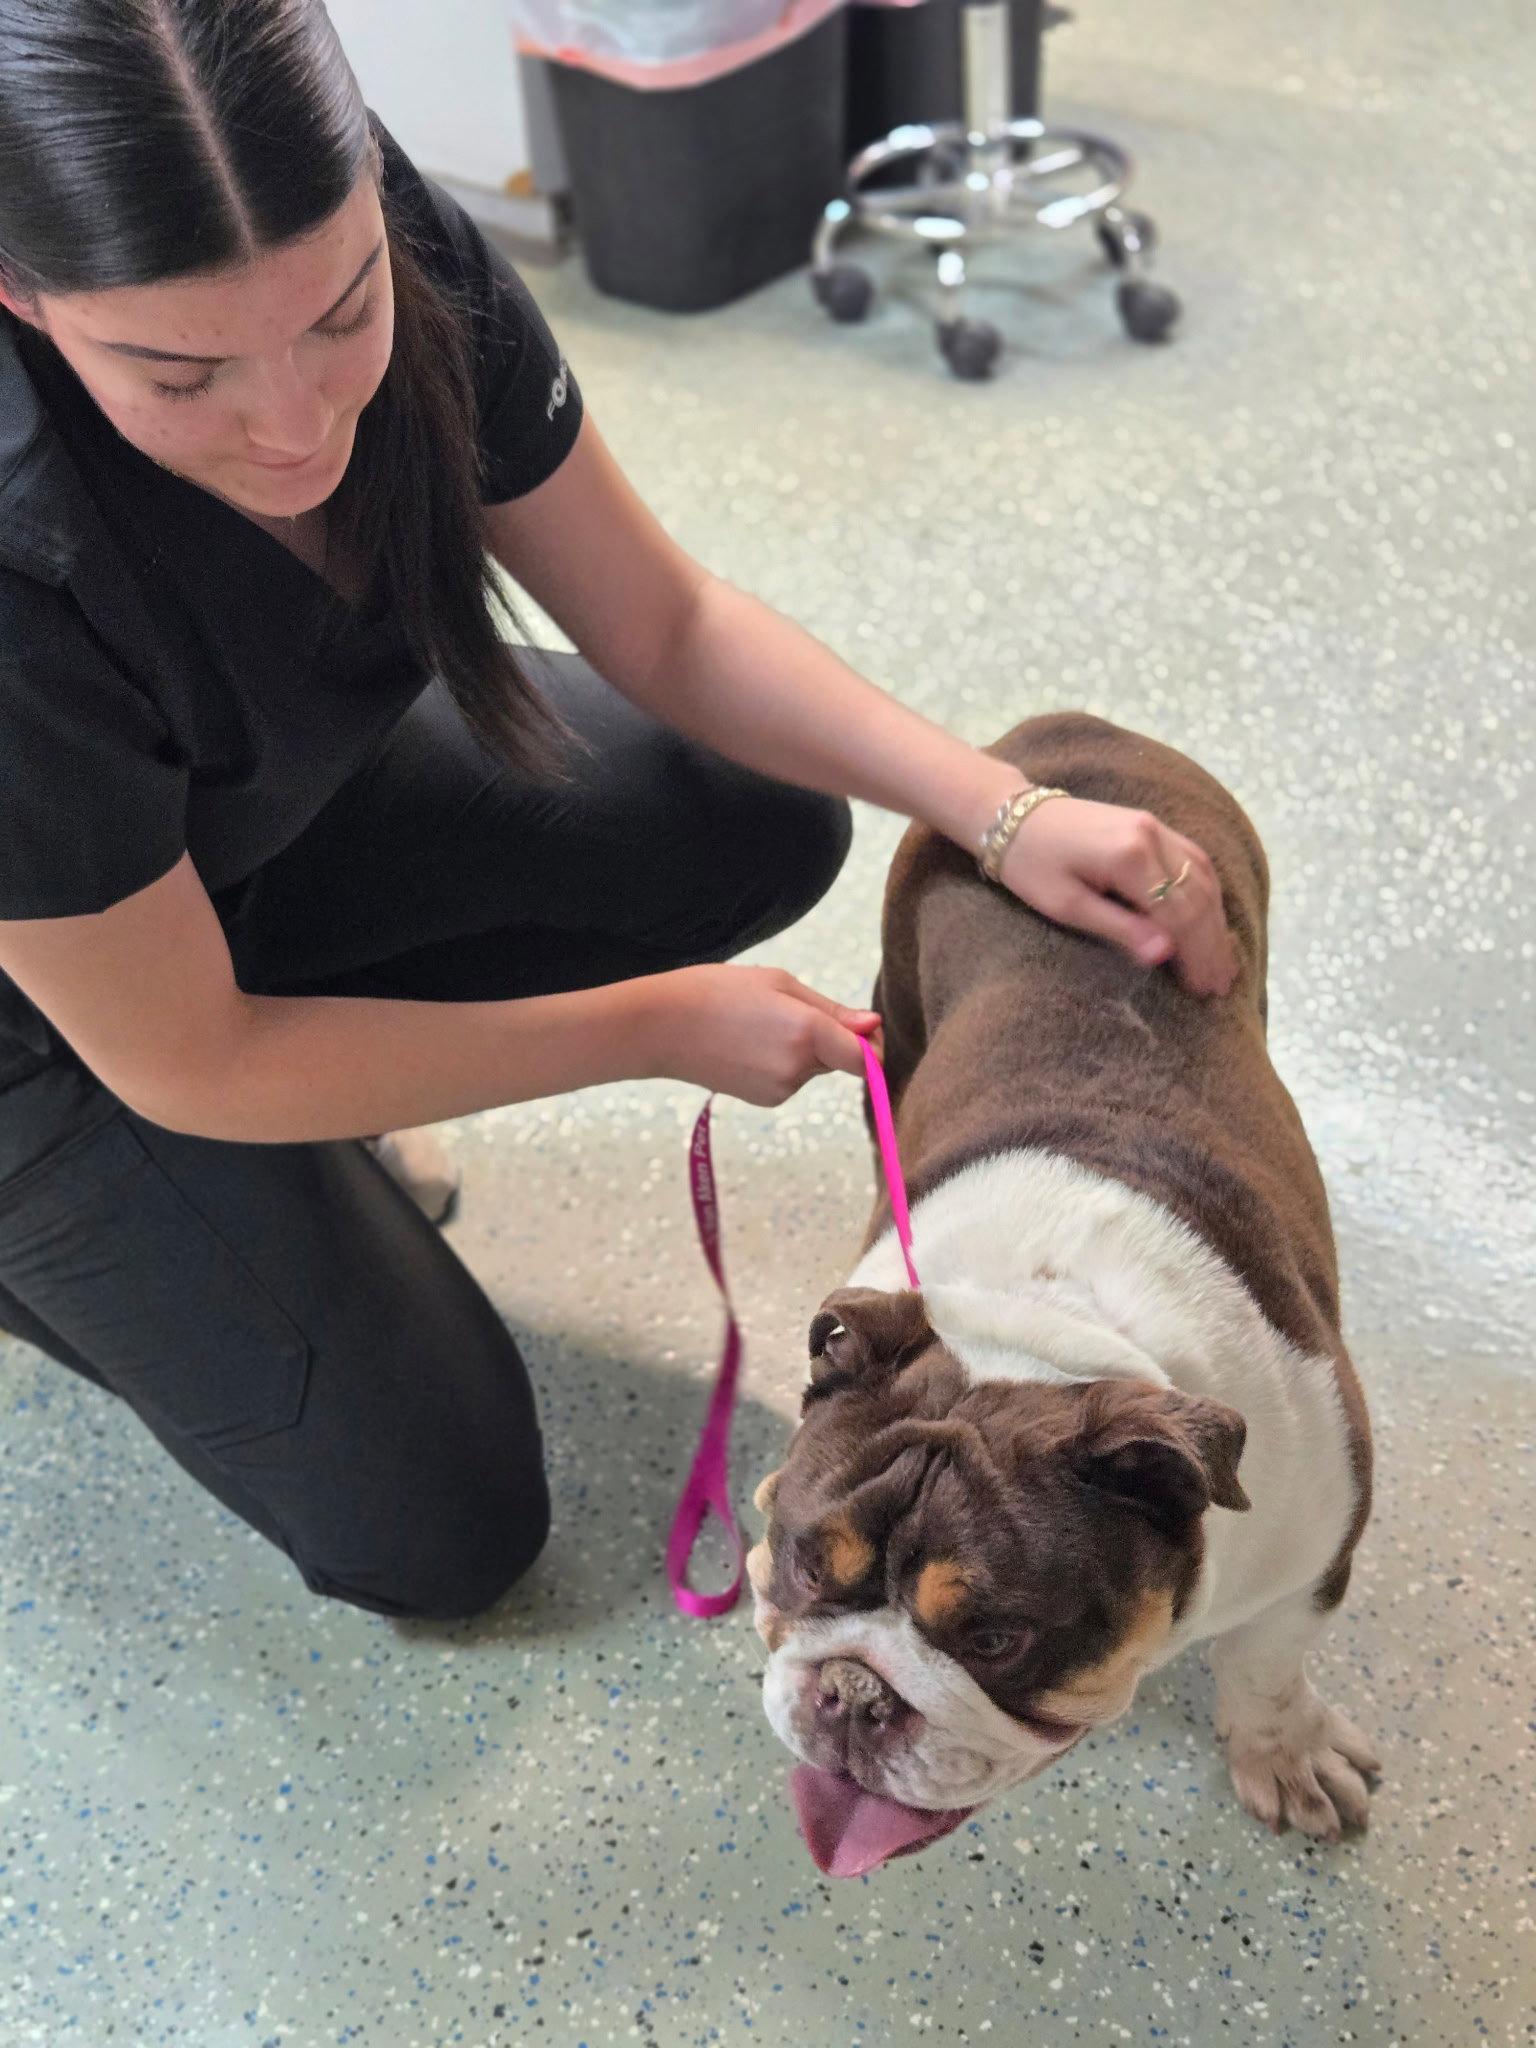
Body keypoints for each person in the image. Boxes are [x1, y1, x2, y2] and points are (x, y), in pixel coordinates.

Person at [0, 0, 1234, 1621]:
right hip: (66, 1030)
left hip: (236, 840)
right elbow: (190, 1056)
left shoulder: (386, 234)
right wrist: (656, 1026)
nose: (299, 426)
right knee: (438, 1530)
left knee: (755, 809)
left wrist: (1001, 812)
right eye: (180, 373)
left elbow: (667, 629)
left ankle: (303, 1101)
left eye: (342, 314)